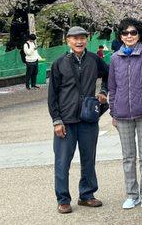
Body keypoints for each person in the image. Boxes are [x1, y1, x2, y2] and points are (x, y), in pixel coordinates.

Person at [47, 26, 109, 214]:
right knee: (62, 161)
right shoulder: (59, 63)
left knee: (88, 158)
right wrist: (56, 120)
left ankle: (87, 195)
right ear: (68, 41)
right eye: (75, 38)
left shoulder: (94, 60)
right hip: (66, 119)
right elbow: (52, 95)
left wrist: (104, 92)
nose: (79, 41)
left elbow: (109, 75)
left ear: (87, 40)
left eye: (82, 37)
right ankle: (63, 199)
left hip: (88, 117)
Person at [108, 18, 142, 209]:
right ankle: (132, 194)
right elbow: (112, 87)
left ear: (139, 34)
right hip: (121, 114)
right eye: (125, 33)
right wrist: (113, 112)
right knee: (128, 156)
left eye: (133, 32)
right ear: (120, 36)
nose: (129, 36)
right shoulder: (115, 58)